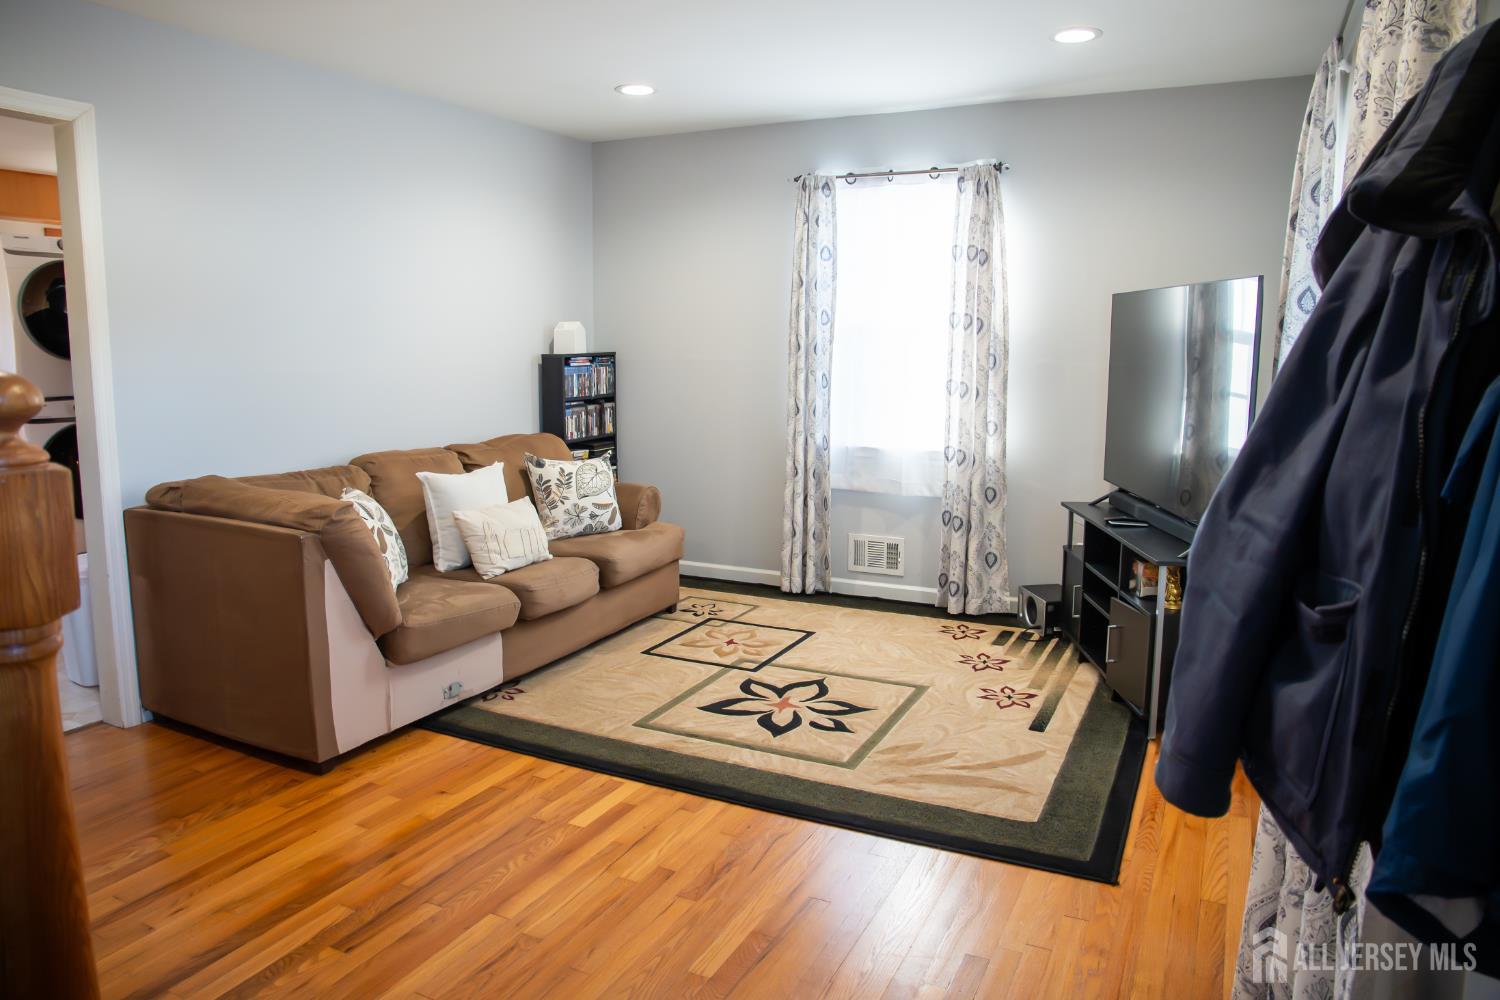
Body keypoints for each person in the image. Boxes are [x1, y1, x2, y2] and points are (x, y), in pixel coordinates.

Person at [24, 276, 69, 359]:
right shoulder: (34, 320)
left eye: (63, 295)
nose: (61, 299)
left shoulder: (72, 322)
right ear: (49, 297)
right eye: (57, 295)